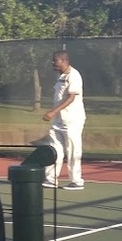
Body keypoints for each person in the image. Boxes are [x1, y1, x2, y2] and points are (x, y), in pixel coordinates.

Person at [41, 50, 86, 190]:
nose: (53, 63)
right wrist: (55, 115)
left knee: (72, 150)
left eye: (55, 60)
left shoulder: (74, 75)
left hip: (72, 120)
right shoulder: (61, 76)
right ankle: (51, 179)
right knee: (54, 150)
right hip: (58, 121)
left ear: (64, 60)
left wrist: (52, 112)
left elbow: (71, 97)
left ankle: (76, 181)